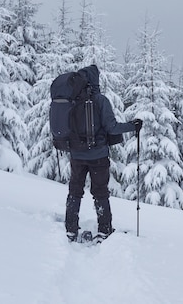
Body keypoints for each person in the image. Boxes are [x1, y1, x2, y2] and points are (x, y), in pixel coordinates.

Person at [64, 64, 142, 242]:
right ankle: (104, 230)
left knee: (74, 192)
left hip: (76, 155)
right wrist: (133, 126)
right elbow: (112, 128)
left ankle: (70, 229)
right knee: (100, 193)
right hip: (98, 156)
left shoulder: (72, 98)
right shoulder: (100, 101)